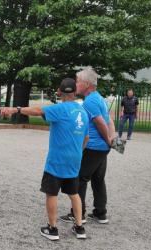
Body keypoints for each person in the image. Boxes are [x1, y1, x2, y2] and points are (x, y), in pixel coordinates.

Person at [0, 78, 89, 241]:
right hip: (75, 159)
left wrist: (15, 109)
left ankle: (52, 228)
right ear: (75, 92)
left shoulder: (60, 109)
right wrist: (78, 152)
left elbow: (37, 110)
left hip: (57, 160)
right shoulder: (83, 112)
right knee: (74, 193)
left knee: (51, 193)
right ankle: (79, 227)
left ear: (60, 92)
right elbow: (86, 138)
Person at [60, 67, 115, 225]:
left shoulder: (90, 101)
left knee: (80, 178)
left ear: (87, 84)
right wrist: (111, 139)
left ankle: (78, 213)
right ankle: (100, 212)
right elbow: (109, 120)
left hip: (94, 146)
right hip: (102, 147)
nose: (76, 84)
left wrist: (107, 139)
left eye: (78, 81)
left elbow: (99, 122)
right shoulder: (99, 98)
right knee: (98, 179)